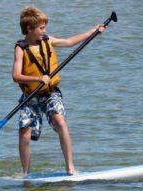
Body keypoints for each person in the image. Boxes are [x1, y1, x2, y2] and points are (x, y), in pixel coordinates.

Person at [12, 6, 106, 176]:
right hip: (31, 96)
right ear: (29, 29)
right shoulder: (21, 48)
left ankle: (70, 168)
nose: (44, 31)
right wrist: (37, 79)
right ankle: (25, 173)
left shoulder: (47, 40)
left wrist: (93, 31)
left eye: (44, 27)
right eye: (41, 28)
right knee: (24, 134)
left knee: (60, 121)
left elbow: (69, 41)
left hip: (51, 92)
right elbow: (16, 76)